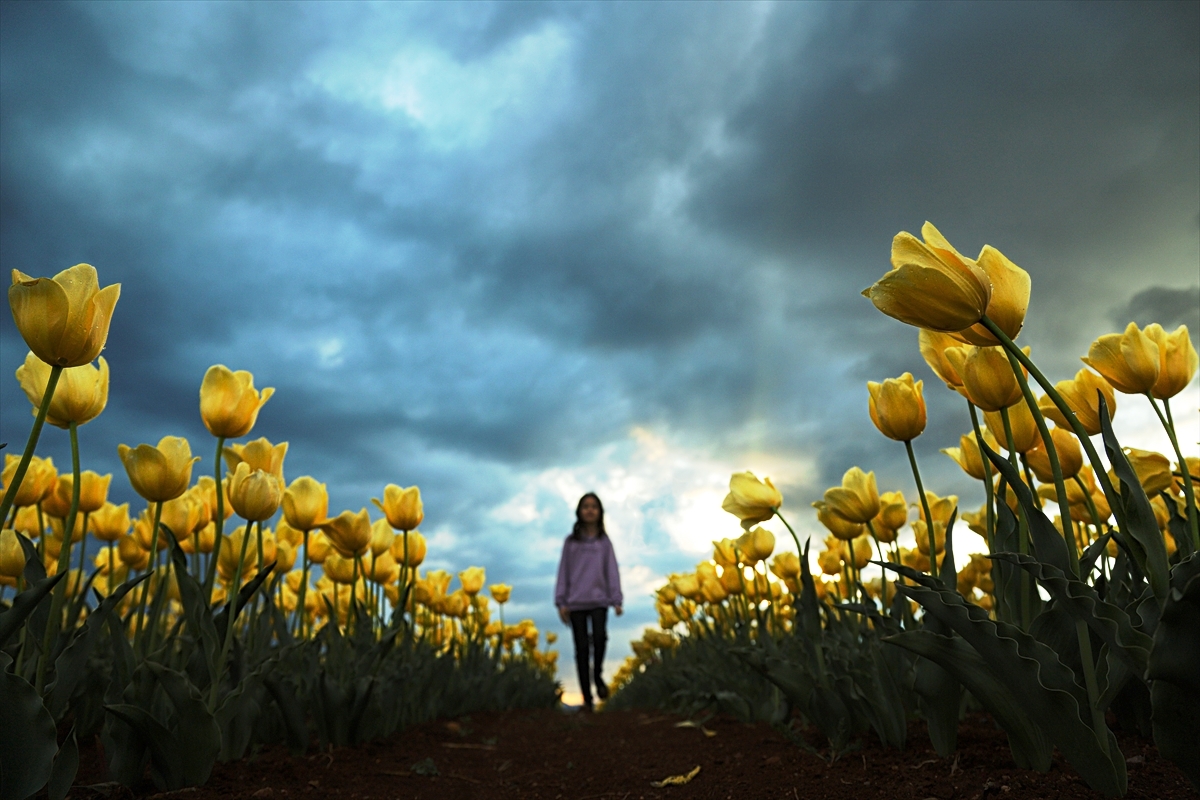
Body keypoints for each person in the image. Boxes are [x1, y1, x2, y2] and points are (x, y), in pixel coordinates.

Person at [555, 492, 623, 711]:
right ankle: (587, 699)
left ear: (600, 512)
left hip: (599, 601)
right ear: (579, 512)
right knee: (581, 649)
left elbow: (612, 570)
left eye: (594, 506)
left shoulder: (604, 542)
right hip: (575, 602)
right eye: (586, 506)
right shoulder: (570, 542)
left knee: (600, 638)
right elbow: (563, 571)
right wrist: (561, 601)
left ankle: (598, 675)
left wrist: (616, 598)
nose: (590, 510)